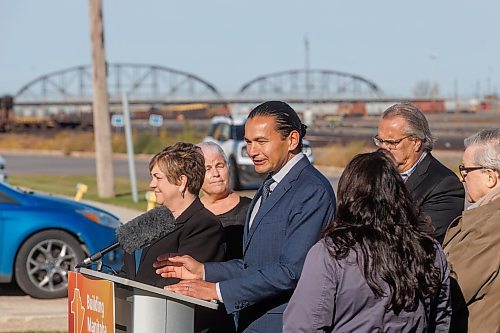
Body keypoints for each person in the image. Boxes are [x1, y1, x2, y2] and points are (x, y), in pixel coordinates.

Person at [155, 101, 336, 332]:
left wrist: (217, 290)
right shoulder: (270, 184)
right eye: (249, 142)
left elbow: (291, 271)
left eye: (261, 142)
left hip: (283, 323)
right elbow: (256, 265)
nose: (252, 151)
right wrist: (204, 271)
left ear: (292, 140)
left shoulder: (311, 190)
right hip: (253, 320)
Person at [283, 150, 451, 332]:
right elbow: (441, 320)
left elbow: (303, 325)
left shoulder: (332, 253)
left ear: (348, 196)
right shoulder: (428, 249)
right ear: (399, 194)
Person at [119, 142, 231, 333]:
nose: (151, 184)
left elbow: (180, 287)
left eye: (157, 177)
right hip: (135, 321)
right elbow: (128, 269)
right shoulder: (153, 219)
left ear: (181, 181)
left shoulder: (204, 225)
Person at [375, 102, 464, 243]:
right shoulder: (374, 173)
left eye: (392, 142)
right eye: (380, 141)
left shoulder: (444, 184)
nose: (384, 148)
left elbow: (420, 240)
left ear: (416, 142)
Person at [443, 128, 500, 332]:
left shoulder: (489, 228)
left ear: (490, 177)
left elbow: (450, 289)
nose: (462, 178)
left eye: (466, 170)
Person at [197, 141, 251, 260]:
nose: (215, 174)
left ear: (228, 168)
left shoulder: (250, 209)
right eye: (207, 169)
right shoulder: (191, 213)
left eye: (220, 165)